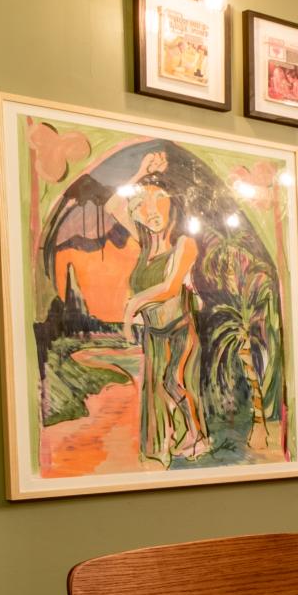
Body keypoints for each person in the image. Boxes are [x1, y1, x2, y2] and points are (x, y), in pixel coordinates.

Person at [106, 150, 210, 464]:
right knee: (161, 387)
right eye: (142, 204)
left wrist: (131, 307)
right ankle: (173, 441)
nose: (150, 210)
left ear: (172, 204)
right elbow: (113, 206)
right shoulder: (144, 242)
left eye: (159, 199)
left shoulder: (184, 244)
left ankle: (199, 437)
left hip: (179, 327)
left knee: (176, 382)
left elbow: (169, 288)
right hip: (154, 332)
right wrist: (140, 171)